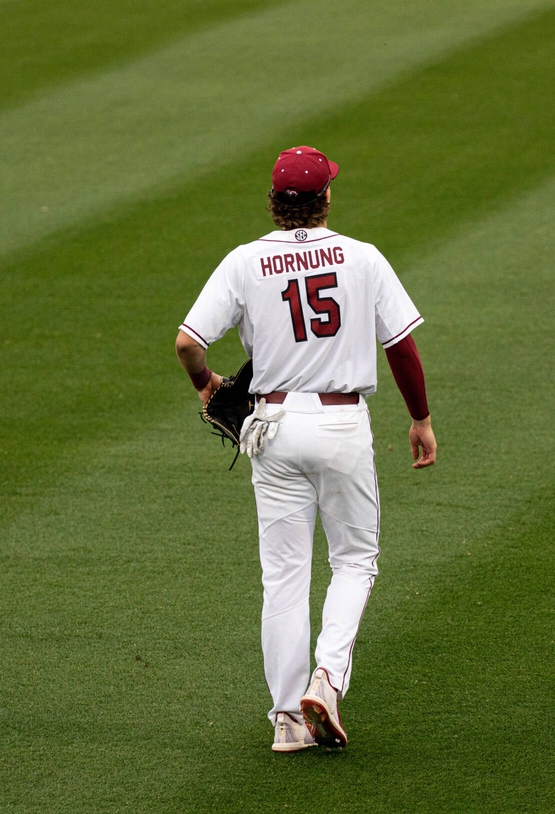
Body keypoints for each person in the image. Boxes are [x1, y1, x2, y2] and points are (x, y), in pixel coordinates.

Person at [175, 145, 435, 752]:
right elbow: (400, 348)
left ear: (273, 202)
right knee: (354, 560)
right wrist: (420, 417)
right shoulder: (362, 257)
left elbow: (189, 342)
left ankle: (289, 722)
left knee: (284, 577)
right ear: (325, 200)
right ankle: (327, 678)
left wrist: (207, 385)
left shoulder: (244, 262)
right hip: (342, 427)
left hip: (271, 426)